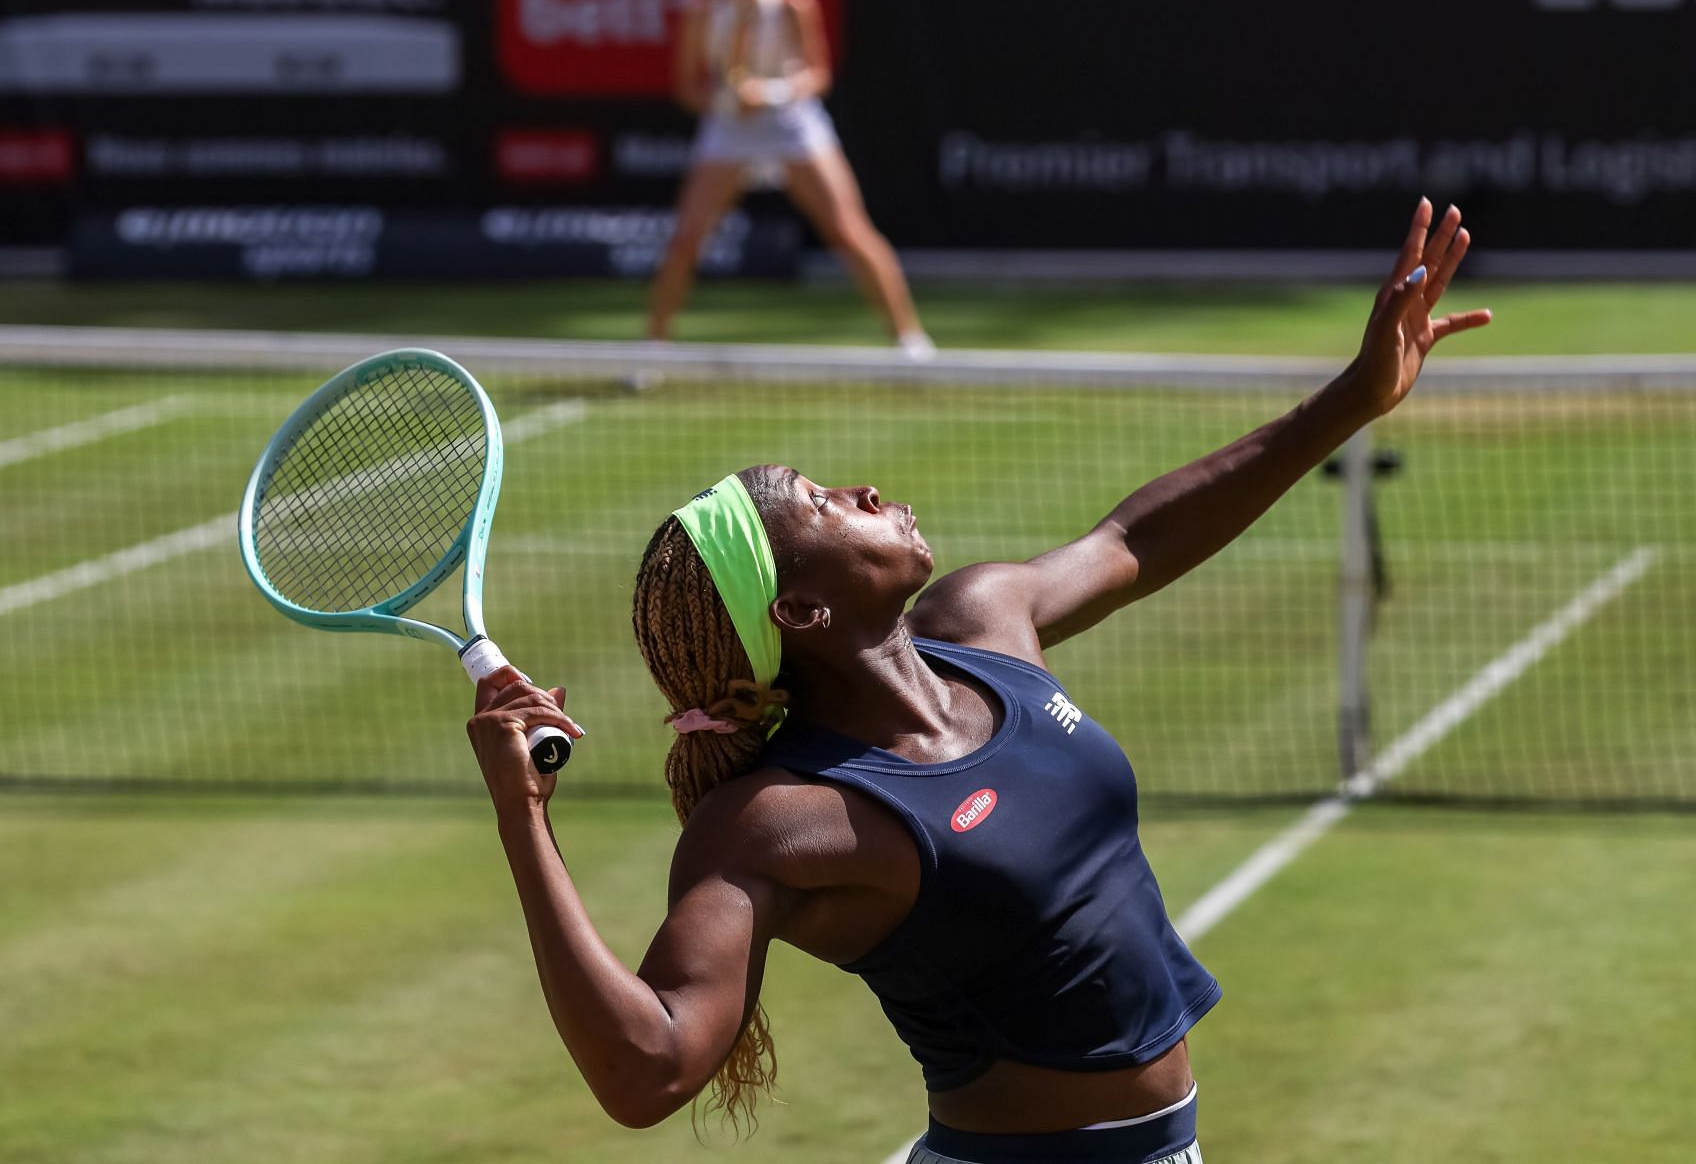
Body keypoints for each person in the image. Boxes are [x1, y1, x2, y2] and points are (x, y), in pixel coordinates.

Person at [470, 200, 1488, 1163]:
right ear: (801, 613)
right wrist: (525, 818)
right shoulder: (777, 823)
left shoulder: (981, 621)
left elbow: (1137, 538)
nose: (862, 489)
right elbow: (646, 1071)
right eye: (824, 506)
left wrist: (1353, 399)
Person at [648, 0, 934, 359]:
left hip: (791, 125)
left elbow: (817, 75)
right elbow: (687, 89)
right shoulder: (702, 10)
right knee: (687, 238)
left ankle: (910, 339)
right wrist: (728, 103)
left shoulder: (794, 4)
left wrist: (771, 93)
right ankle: (652, 348)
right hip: (729, 129)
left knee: (849, 230)